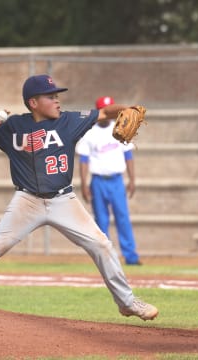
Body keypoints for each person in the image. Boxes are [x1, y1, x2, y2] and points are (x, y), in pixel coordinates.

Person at [0, 74, 158, 321]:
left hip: (64, 200)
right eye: (51, 97)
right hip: (27, 201)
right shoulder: (14, 126)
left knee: (101, 244)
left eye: (57, 96)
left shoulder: (69, 121)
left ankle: (127, 302)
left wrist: (125, 109)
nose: (57, 101)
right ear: (33, 102)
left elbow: (105, 113)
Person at [76, 96, 141, 265]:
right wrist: (84, 184)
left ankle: (131, 256)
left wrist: (132, 179)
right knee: (101, 221)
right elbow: (83, 160)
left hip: (117, 180)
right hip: (98, 181)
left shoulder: (120, 127)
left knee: (123, 218)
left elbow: (128, 155)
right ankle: (105, 258)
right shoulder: (89, 132)